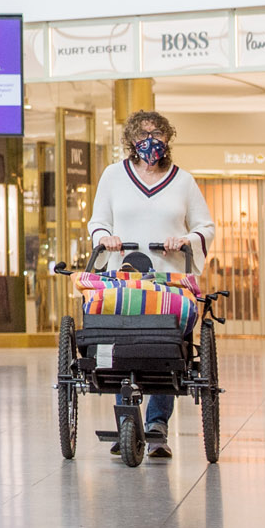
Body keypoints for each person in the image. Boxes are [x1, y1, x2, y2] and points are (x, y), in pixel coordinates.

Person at [86, 110, 216, 460]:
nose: (150, 140)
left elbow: (205, 227)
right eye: (143, 133)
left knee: (166, 347)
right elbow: (97, 221)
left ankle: (157, 423)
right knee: (122, 342)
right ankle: (127, 418)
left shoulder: (183, 181)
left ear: (167, 138)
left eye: (157, 133)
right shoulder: (113, 176)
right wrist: (106, 237)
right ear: (131, 140)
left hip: (168, 280)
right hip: (123, 278)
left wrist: (186, 240)